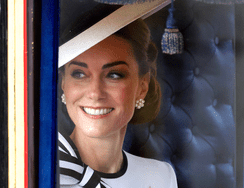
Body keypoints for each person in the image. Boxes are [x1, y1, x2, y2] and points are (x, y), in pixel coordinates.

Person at [58, 19, 178, 188]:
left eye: (114, 75)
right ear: (64, 84)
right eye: (79, 74)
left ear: (142, 87)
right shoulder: (35, 173)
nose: (95, 93)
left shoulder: (161, 176)